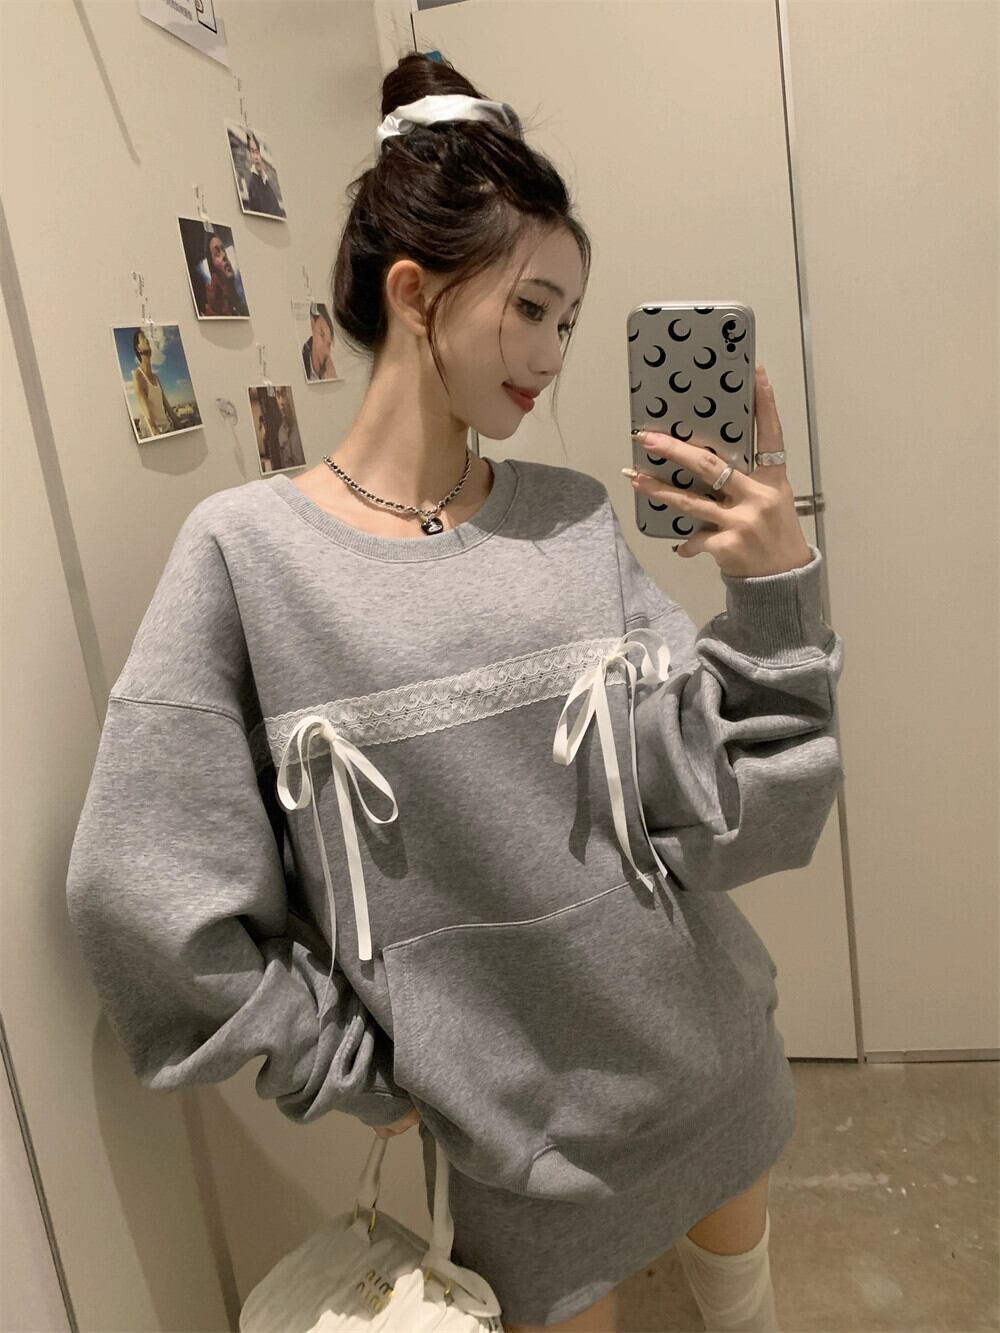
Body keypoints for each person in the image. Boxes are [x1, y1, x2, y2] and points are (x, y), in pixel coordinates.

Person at [66, 54, 844, 1333]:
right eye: (530, 307)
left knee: (745, 1311)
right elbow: (139, 898)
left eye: (569, 322)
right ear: (415, 292)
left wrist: (774, 598)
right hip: (517, 1157)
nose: (550, 353)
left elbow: (736, 815)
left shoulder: (570, 518)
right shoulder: (249, 557)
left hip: (711, 1065)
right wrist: (356, 1065)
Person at [130, 328, 180, 437]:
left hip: (167, 428)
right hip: (154, 433)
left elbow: (167, 407)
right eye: (143, 337)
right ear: (138, 348)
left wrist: (179, 424)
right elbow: (148, 417)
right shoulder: (137, 375)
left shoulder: (156, 377)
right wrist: (156, 434)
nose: (147, 339)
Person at [201, 230, 247, 318]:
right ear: (212, 267)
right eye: (217, 254)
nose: (224, 256)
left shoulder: (238, 301)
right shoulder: (213, 309)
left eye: (224, 251)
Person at [245, 130, 283, 217]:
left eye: (258, 152)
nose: (257, 157)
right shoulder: (253, 184)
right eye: (253, 152)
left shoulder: (266, 181)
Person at [301, 303, 336, 381]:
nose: (325, 349)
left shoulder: (331, 369)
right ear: (313, 324)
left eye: (328, 344)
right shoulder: (301, 360)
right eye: (322, 335)